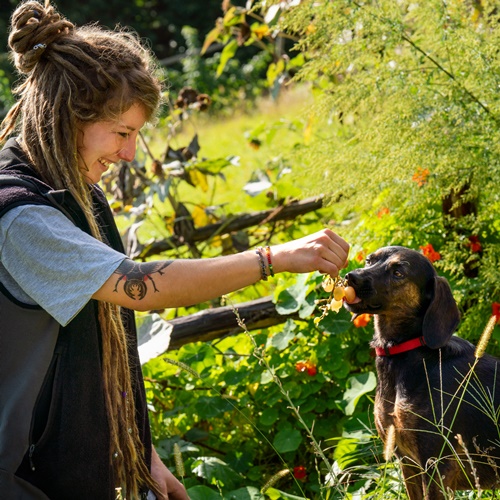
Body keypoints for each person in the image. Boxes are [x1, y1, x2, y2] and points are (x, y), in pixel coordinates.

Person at [0, 1, 350, 499]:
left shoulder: (74, 192)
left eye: (136, 135)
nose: (129, 154)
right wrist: (272, 259)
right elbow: (142, 287)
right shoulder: (22, 218)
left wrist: (142, 450)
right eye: (122, 133)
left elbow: (107, 350)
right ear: (66, 118)